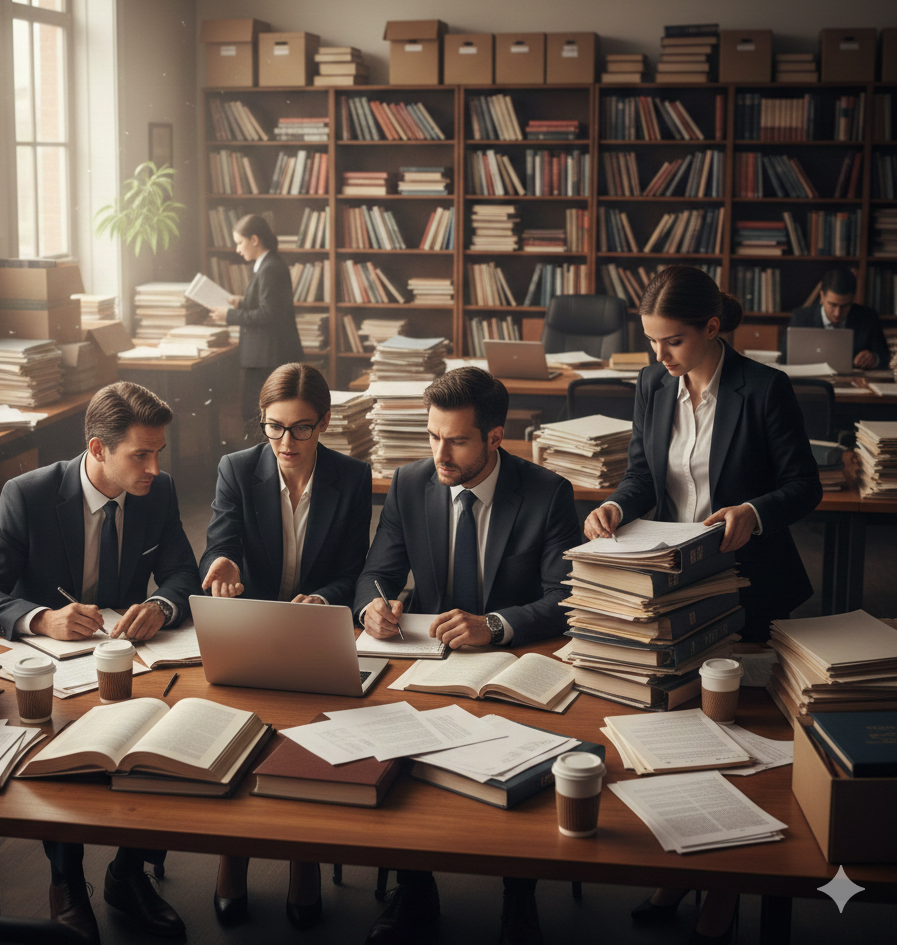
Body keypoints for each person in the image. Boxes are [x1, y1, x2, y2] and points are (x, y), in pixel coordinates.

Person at [583, 266, 821, 942]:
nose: (660, 354)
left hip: (749, 582)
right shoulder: (653, 383)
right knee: (677, 726)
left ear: (712, 328)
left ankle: (727, 884)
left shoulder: (764, 388)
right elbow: (642, 476)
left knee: (738, 736)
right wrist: (614, 506)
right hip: (676, 580)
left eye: (674, 341)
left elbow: (804, 486)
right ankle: (684, 860)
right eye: (652, 341)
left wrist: (752, 511)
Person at [0, 382, 201, 943]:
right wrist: (41, 617)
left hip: (128, 661)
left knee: (170, 731)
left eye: (159, 452)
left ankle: (126, 873)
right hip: (50, 669)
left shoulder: (156, 490)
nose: (155, 467)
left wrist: (161, 606)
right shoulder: (28, 494)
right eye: (141, 454)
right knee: (65, 740)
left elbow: (182, 574)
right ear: (97, 449)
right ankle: (66, 881)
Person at [355, 365, 580, 945]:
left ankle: (518, 894)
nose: (440, 454)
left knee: (522, 754)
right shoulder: (410, 483)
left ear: (495, 438)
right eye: (433, 436)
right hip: (428, 659)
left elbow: (565, 597)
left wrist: (497, 626)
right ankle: (415, 889)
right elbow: (377, 573)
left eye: (455, 440)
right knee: (391, 742)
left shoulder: (547, 492)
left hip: (515, 660)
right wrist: (372, 607)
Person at [200, 362, 372, 930]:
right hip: (250, 626)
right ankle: (233, 854)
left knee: (310, 734)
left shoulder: (351, 477)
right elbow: (220, 543)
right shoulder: (237, 468)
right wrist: (221, 562)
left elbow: (353, 570)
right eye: (274, 427)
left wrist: (322, 599)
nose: (285, 442)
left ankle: (304, 857)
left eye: (300, 428)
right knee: (238, 731)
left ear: (324, 423)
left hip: (314, 629)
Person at [208, 213, 304, 428]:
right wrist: (242, 302)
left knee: (259, 417)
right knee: (259, 416)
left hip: (267, 357)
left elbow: (268, 314)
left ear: (254, 239)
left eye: (239, 242)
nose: (237, 249)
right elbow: (270, 305)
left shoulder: (270, 268)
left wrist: (229, 315)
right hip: (264, 355)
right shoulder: (267, 264)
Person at [788, 266, 890, 369]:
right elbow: (785, 358)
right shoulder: (801, 318)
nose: (837, 313)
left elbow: (885, 357)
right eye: (832, 305)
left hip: (856, 378)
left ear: (853, 299)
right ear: (822, 297)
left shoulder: (868, 317)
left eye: (845, 306)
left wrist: (874, 359)